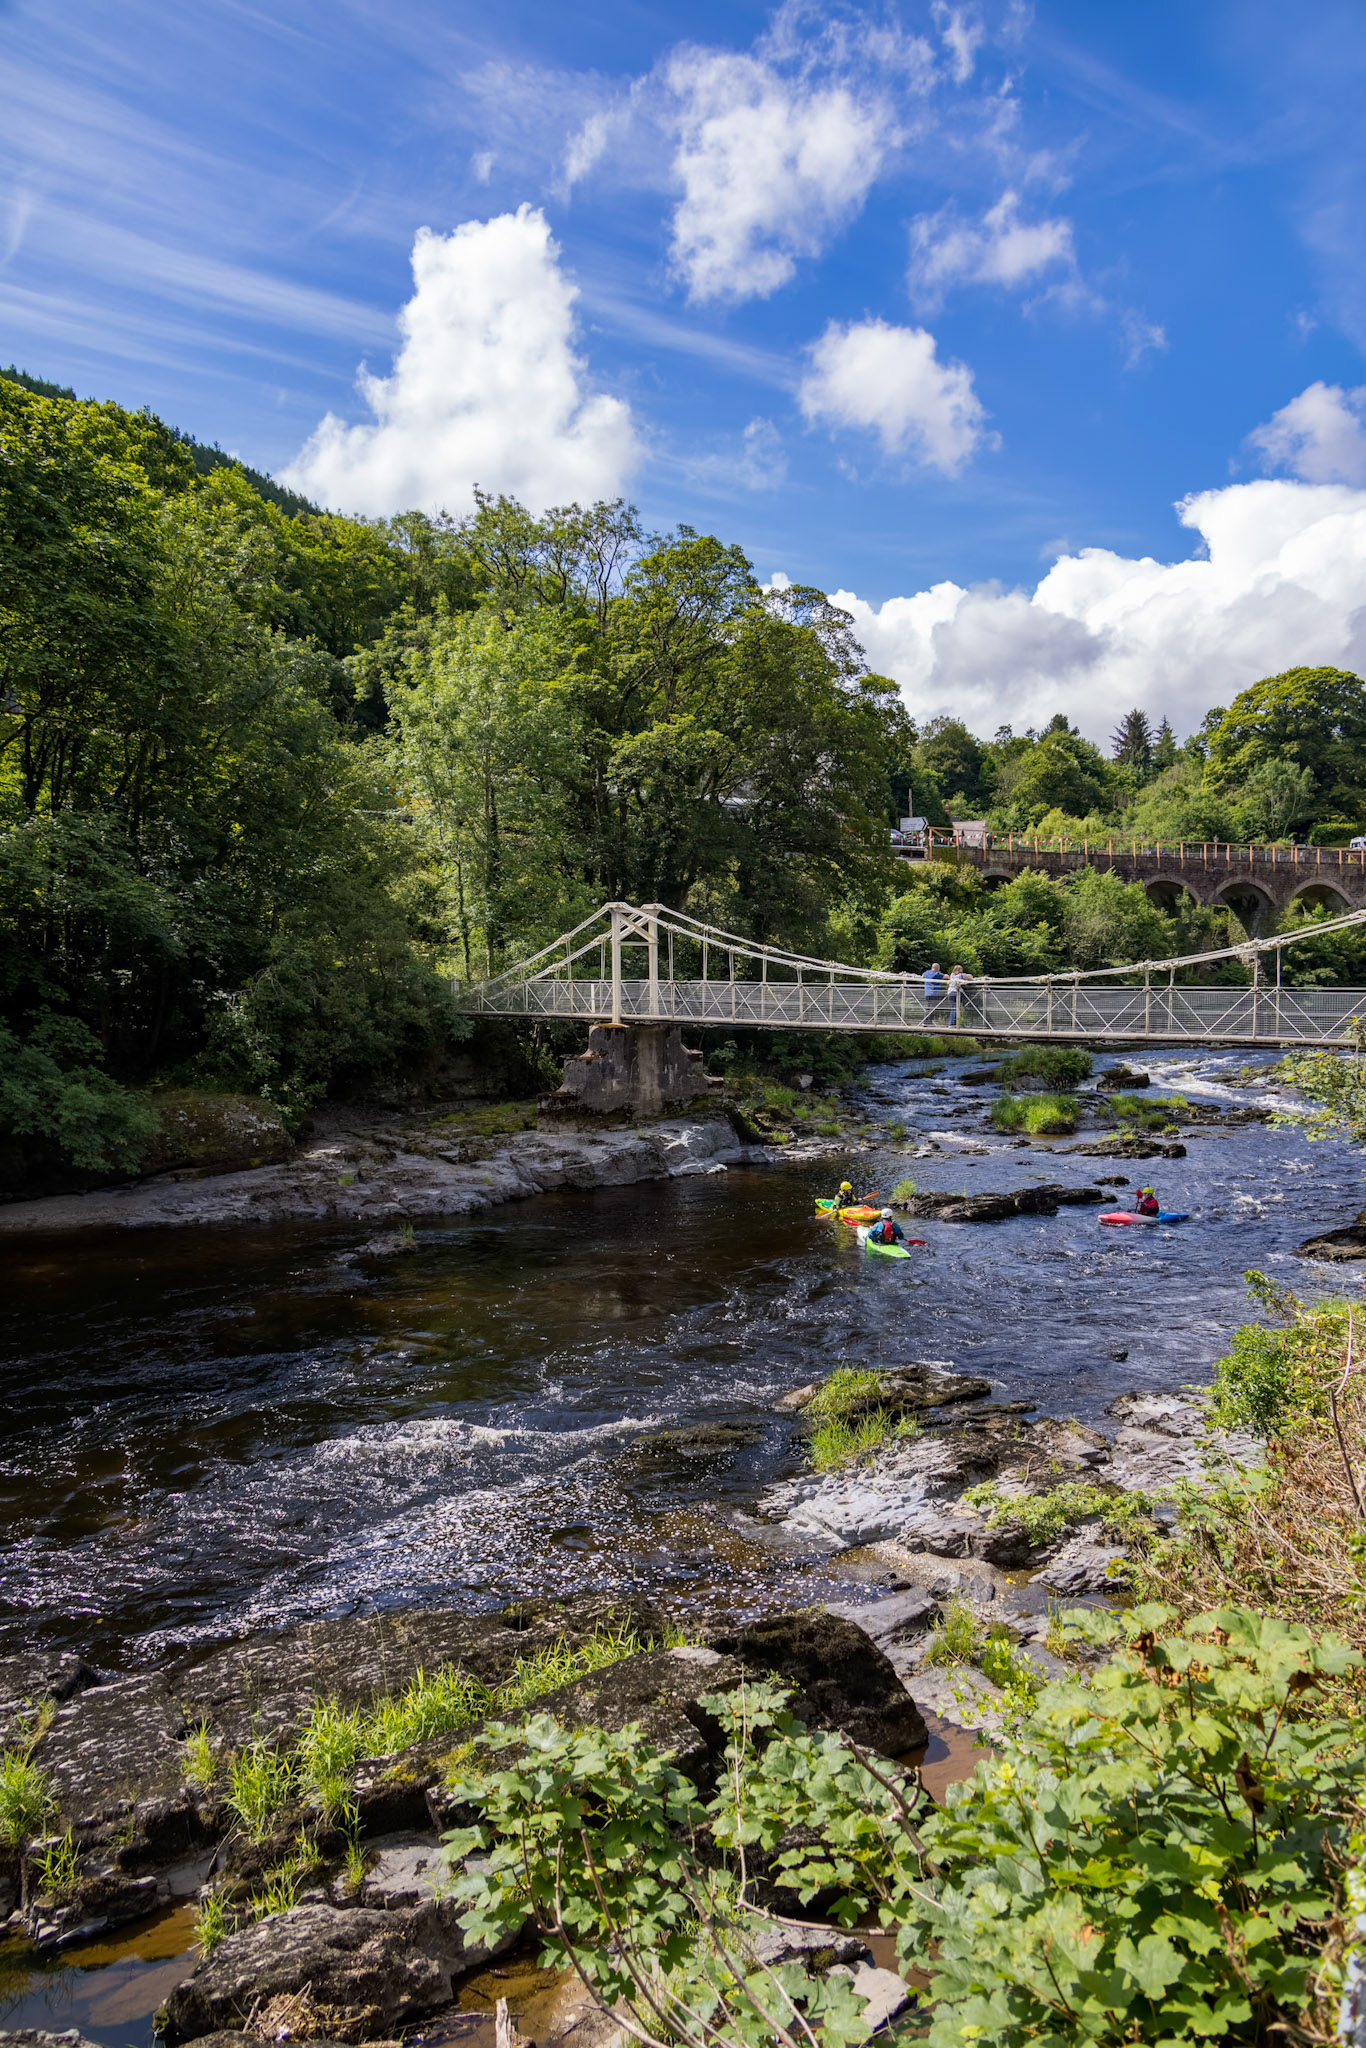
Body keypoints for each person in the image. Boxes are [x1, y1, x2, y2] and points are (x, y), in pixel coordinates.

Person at [946, 963, 973, 1027]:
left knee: (953, 1008)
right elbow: (970, 976)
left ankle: (952, 1023)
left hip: (950, 992)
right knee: (956, 1008)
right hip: (957, 992)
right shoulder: (961, 975)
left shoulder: (952, 975)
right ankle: (953, 1024)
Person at [922, 960, 946, 1024]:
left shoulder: (926, 973)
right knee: (932, 1008)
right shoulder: (936, 974)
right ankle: (927, 1022)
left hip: (927, 993)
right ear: (938, 969)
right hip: (934, 993)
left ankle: (927, 1022)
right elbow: (946, 976)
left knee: (928, 1007)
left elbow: (923, 975)